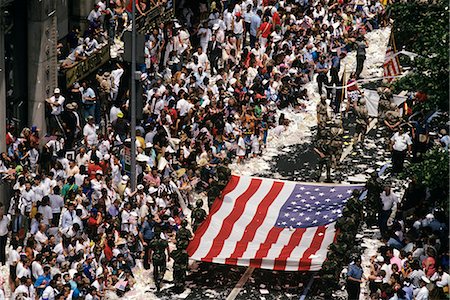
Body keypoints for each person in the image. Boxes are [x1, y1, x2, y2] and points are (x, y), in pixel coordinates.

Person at [149, 227, 169, 292]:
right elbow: (167, 248)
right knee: (163, 269)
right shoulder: (164, 241)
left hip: (155, 256)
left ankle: (156, 282)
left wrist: (149, 258)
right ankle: (160, 278)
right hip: (162, 256)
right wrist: (169, 256)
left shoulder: (152, 241)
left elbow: (150, 250)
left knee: (155, 269)